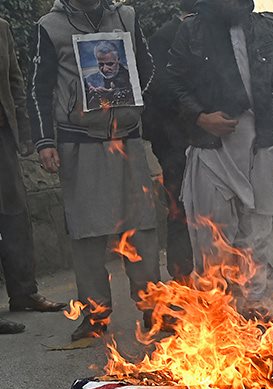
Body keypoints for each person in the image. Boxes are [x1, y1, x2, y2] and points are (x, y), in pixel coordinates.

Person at [30, 0, 161, 341]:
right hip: (79, 142)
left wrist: (132, 100)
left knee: (141, 226)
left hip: (127, 140)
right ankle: (96, 314)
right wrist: (44, 141)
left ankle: (153, 307)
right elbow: (39, 89)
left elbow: (148, 69)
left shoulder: (126, 16)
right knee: (86, 233)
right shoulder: (50, 26)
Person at [167, 0, 273, 302]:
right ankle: (215, 307)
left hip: (261, 144)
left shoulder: (265, 30)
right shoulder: (191, 31)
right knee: (212, 237)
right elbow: (171, 84)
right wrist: (200, 117)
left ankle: (253, 302)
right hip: (211, 147)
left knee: (257, 234)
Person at [0, 17, 67, 335]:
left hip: (3, 137)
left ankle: (24, 292)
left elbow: (15, 81)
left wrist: (26, 131)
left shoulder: (2, 27)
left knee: (15, 216)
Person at [142, 0, 196, 282]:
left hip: (196, 137)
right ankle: (180, 274)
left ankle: (209, 271)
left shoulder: (198, 33)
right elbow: (160, 89)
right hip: (174, 140)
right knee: (179, 206)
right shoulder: (164, 39)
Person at [84, 40, 133, 109]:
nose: (105, 69)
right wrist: (89, 96)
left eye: (110, 64)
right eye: (101, 64)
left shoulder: (132, 78)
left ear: (118, 60)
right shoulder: (89, 80)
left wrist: (112, 95)